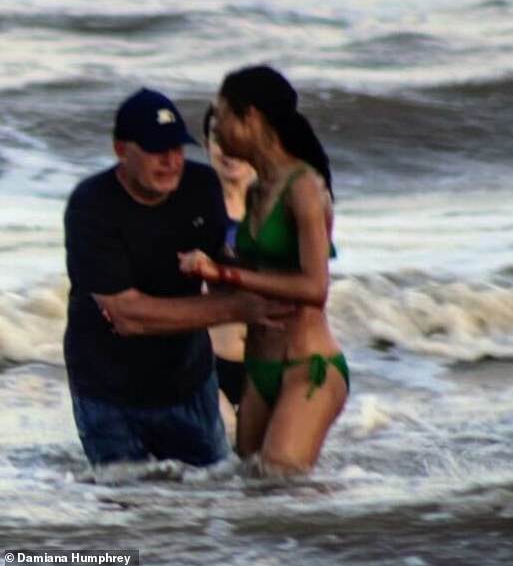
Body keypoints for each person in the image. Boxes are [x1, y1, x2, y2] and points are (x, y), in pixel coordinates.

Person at [64, 87, 292, 467]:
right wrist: (234, 307)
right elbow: (127, 315)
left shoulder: (201, 187)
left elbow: (225, 270)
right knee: (128, 507)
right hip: (107, 391)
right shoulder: (92, 206)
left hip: (189, 383)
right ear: (122, 150)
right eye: (157, 150)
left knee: (210, 499)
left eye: (177, 148)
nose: (171, 161)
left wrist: (261, 278)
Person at [179, 65, 349, 476]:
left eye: (222, 117)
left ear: (251, 118)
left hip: (307, 367)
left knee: (282, 481)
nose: (216, 130)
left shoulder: (305, 187)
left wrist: (225, 276)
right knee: (253, 497)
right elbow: (258, 269)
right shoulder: (259, 190)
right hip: (260, 368)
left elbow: (314, 286)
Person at [202, 103, 256, 426]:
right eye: (218, 138)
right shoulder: (193, 208)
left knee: (269, 471)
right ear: (207, 144)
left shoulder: (280, 209)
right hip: (210, 365)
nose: (229, 149)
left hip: (269, 364)